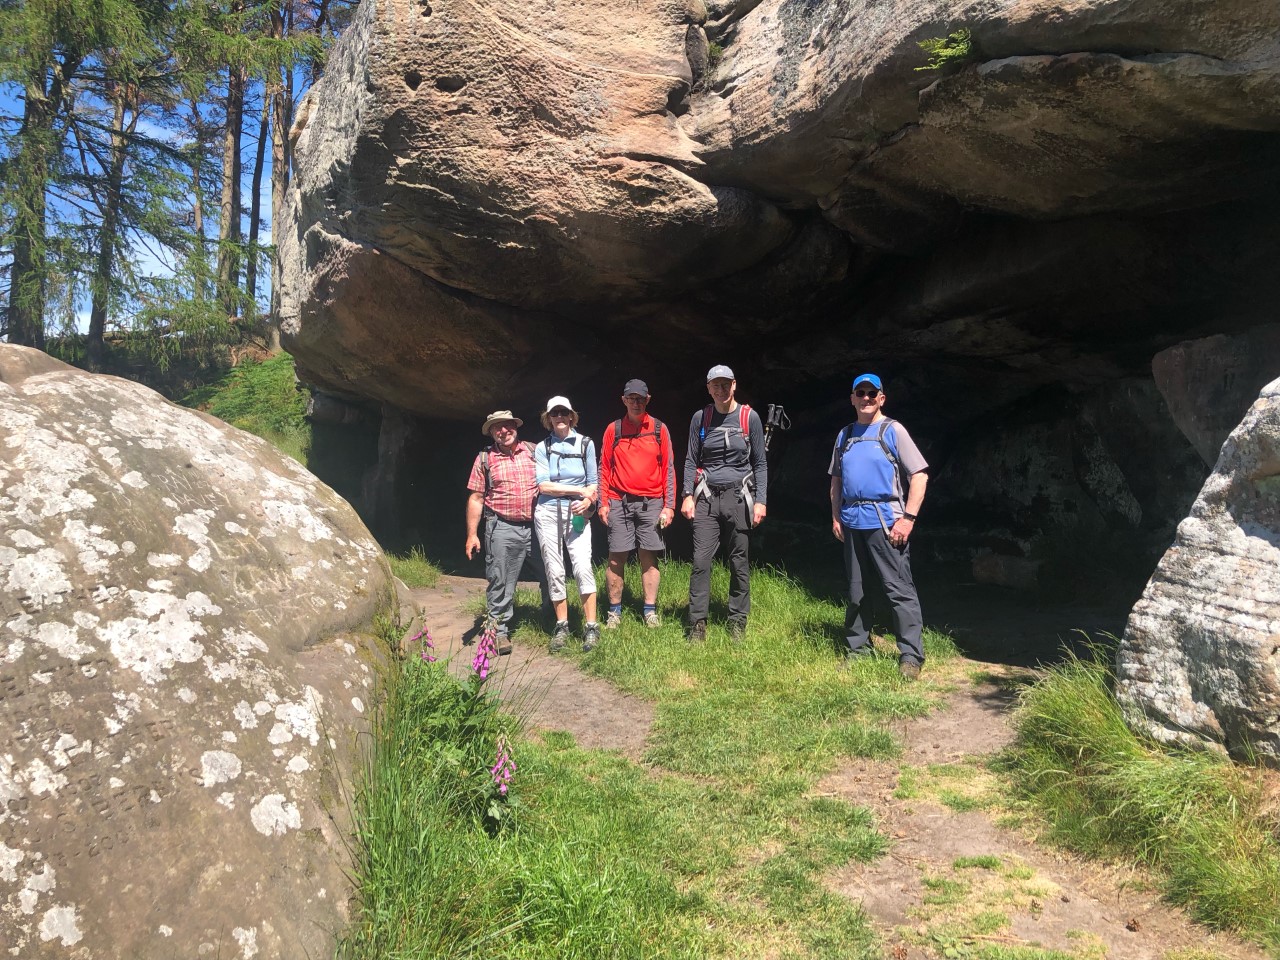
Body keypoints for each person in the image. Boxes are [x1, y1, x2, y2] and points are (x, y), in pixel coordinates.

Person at [828, 373, 929, 680]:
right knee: (857, 591)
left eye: (873, 393)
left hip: (887, 523)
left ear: (882, 398)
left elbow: (920, 475)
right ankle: (858, 649)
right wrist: (835, 516)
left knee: (899, 589)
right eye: (861, 392)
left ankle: (911, 655)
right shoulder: (845, 435)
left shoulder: (893, 430)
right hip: (853, 521)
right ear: (853, 398)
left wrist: (908, 519)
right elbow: (836, 481)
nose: (867, 398)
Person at [680, 365, 768, 643]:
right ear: (708, 389)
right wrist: (686, 494)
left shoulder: (748, 417)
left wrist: (761, 501)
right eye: (715, 385)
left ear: (734, 386)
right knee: (700, 561)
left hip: (739, 497)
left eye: (725, 385)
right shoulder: (701, 418)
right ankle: (697, 624)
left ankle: (737, 621)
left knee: (739, 561)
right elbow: (691, 458)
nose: (720, 390)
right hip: (706, 498)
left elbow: (760, 463)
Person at [465, 409, 545, 655]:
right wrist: (472, 534)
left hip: (538, 526)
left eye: (507, 425)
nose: (503, 431)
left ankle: (554, 620)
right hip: (502, 527)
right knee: (500, 579)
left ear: (516, 426)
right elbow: (477, 498)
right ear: (491, 433)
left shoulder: (535, 451)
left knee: (552, 573)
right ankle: (498, 632)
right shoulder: (485, 459)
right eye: (497, 427)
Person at [597, 378, 676, 629]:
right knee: (615, 558)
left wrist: (669, 505)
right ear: (623, 400)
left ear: (647, 400)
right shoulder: (614, 429)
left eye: (640, 398)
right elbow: (604, 467)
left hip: (651, 502)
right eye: (631, 398)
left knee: (648, 557)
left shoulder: (658, 429)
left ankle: (650, 611)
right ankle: (614, 613)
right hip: (619, 500)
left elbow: (669, 469)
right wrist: (603, 502)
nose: (636, 403)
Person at [533, 396, 601, 652]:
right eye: (554, 414)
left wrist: (587, 500)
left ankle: (591, 627)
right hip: (548, 513)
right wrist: (577, 490)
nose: (559, 417)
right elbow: (544, 485)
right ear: (548, 419)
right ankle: (562, 625)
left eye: (564, 413)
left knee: (583, 566)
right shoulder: (542, 447)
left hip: (577, 513)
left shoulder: (586, 444)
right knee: (554, 568)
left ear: (571, 416)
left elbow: (594, 482)